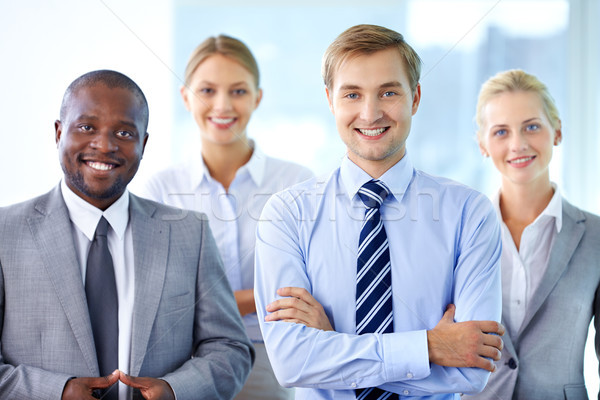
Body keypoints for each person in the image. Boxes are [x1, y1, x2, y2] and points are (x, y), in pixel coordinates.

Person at [254, 24, 505, 400]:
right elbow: (292, 363)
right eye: (352, 94)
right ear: (330, 101)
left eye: (388, 92)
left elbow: (471, 370)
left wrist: (332, 345)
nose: (370, 113)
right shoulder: (286, 214)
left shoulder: (469, 213)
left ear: (415, 97)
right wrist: (430, 348)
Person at [0, 70, 253, 400]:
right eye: (87, 127)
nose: (104, 145)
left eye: (123, 132)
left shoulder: (190, 233)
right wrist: (55, 392)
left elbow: (231, 349)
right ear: (59, 133)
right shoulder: (6, 233)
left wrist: (177, 390)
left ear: (143, 144)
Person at [139, 35, 313, 399]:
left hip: (273, 360)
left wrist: (208, 304)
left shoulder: (298, 184)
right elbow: (156, 299)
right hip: (184, 365)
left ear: (257, 97)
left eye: (237, 91)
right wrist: (256, 298)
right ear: (186, 96)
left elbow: (310, 288)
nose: (221, 105)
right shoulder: (160, 190)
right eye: (206, 90)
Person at [463, 69, 600, 399]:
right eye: (501, 132)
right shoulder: (459, 234)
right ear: (482, 144)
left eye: (532, 126)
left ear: (557, 131)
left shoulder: (596, 237)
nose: (518, 144)